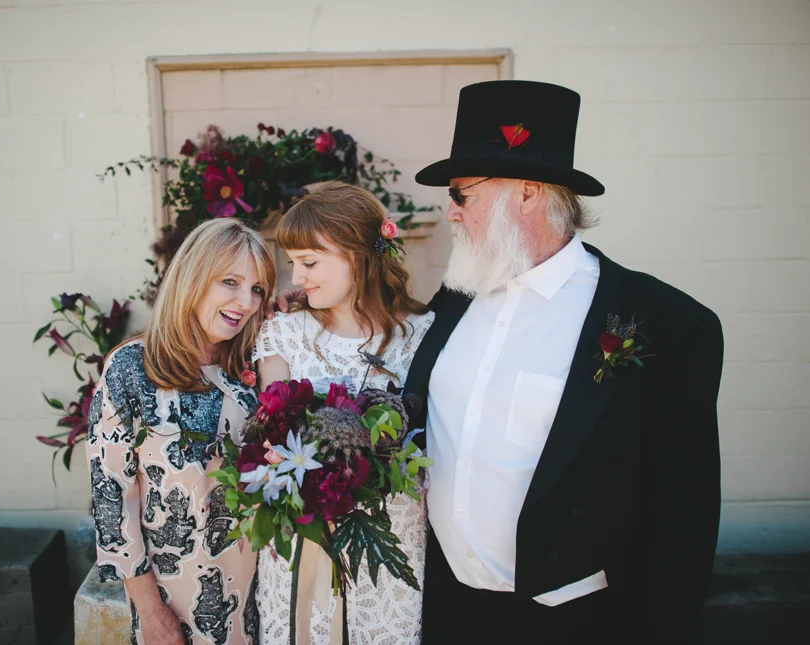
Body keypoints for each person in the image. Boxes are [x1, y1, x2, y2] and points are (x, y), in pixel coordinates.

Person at [403, 80, 724, 644]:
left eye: (461, 194)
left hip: (575, 622)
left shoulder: (665, 324)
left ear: (527, 193)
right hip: (449, 609)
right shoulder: (456, 297)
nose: (450, 213)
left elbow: (682, 520)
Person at [252, 181, 435, 645]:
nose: (297, 278)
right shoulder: (282, 334)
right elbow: (273, 438)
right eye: (292, 263)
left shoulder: (424, 335)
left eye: (309, 262)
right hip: (304, 546)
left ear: (357, 255)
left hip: (392, 545)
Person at [86, 218, 276, 645]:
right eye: (230, 282)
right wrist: (151, 611)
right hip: (175, 602)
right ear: (193, 277)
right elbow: (111, 498)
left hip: (263, 596)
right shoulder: (132, 368)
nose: (246, 301)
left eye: (257, 288)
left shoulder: (254, 367)